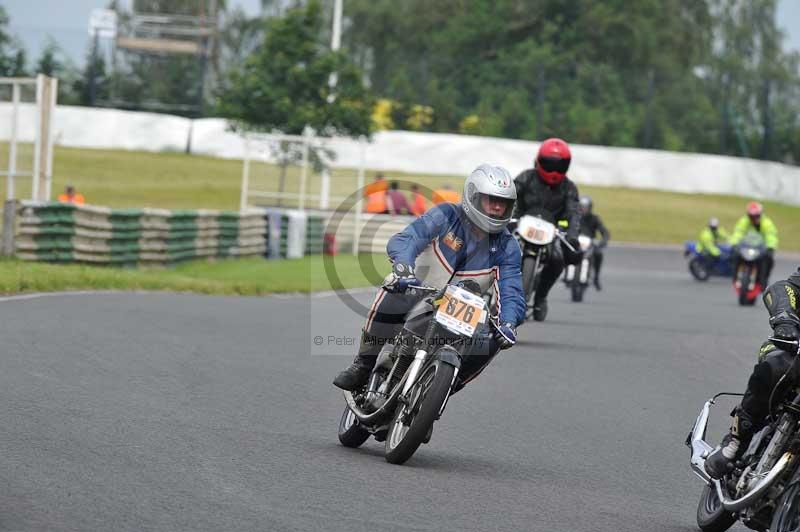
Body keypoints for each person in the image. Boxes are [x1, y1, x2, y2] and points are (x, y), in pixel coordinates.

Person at [333, 164, 526, 392]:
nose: (496, 207)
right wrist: (403, 266)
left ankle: (445, 388)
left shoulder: (508, 246)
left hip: (461, 310)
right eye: (490, 200)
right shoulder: (445, 214)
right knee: (395, 287)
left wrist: (509, 322)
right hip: (418, 289)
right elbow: (410, 238)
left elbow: (511, 288)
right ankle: (363, 364)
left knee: (493, 339)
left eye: (502, 203)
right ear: (473, 197)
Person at [704, 269, 800, 479]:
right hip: (793, 348)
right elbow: (783, 288)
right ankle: (735, 441)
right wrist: (785, 318)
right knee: (780, 364)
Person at [513, 137, 581, 321]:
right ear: (539, 161)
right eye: (549, 164)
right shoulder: (526, 177)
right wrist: (506, 217)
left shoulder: (568, 188)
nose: (554, 170)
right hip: (519, 224)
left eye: (559, 166)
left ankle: (541, 297)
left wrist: (573, 235)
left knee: (558, 259)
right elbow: (509, 196)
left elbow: (574, 212)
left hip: (550, 233)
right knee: (494, 245)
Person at [729, 201, 778, 288]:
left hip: (760, 249)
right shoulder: (744, 221)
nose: (754, 219)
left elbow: (771, 235)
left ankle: (763, 281)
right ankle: (734, 276)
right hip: (746, 247)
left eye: (756, 216)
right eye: (751, 216)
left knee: (769, 260)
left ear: (760, 214)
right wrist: (734, 244)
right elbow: (738, 232)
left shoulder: (766, 223)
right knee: (734, 255)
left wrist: (770, 247)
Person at [578, 196, 610, 290]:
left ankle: (596, 277)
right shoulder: (575, 217)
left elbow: (604, 232)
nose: (584, 210)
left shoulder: (595, 219)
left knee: (598, 254)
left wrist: (603, 241)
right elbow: (565, 225)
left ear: (590, 208)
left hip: (590, 244)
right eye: (582, 207)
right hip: (575, 242)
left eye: (586, 207)